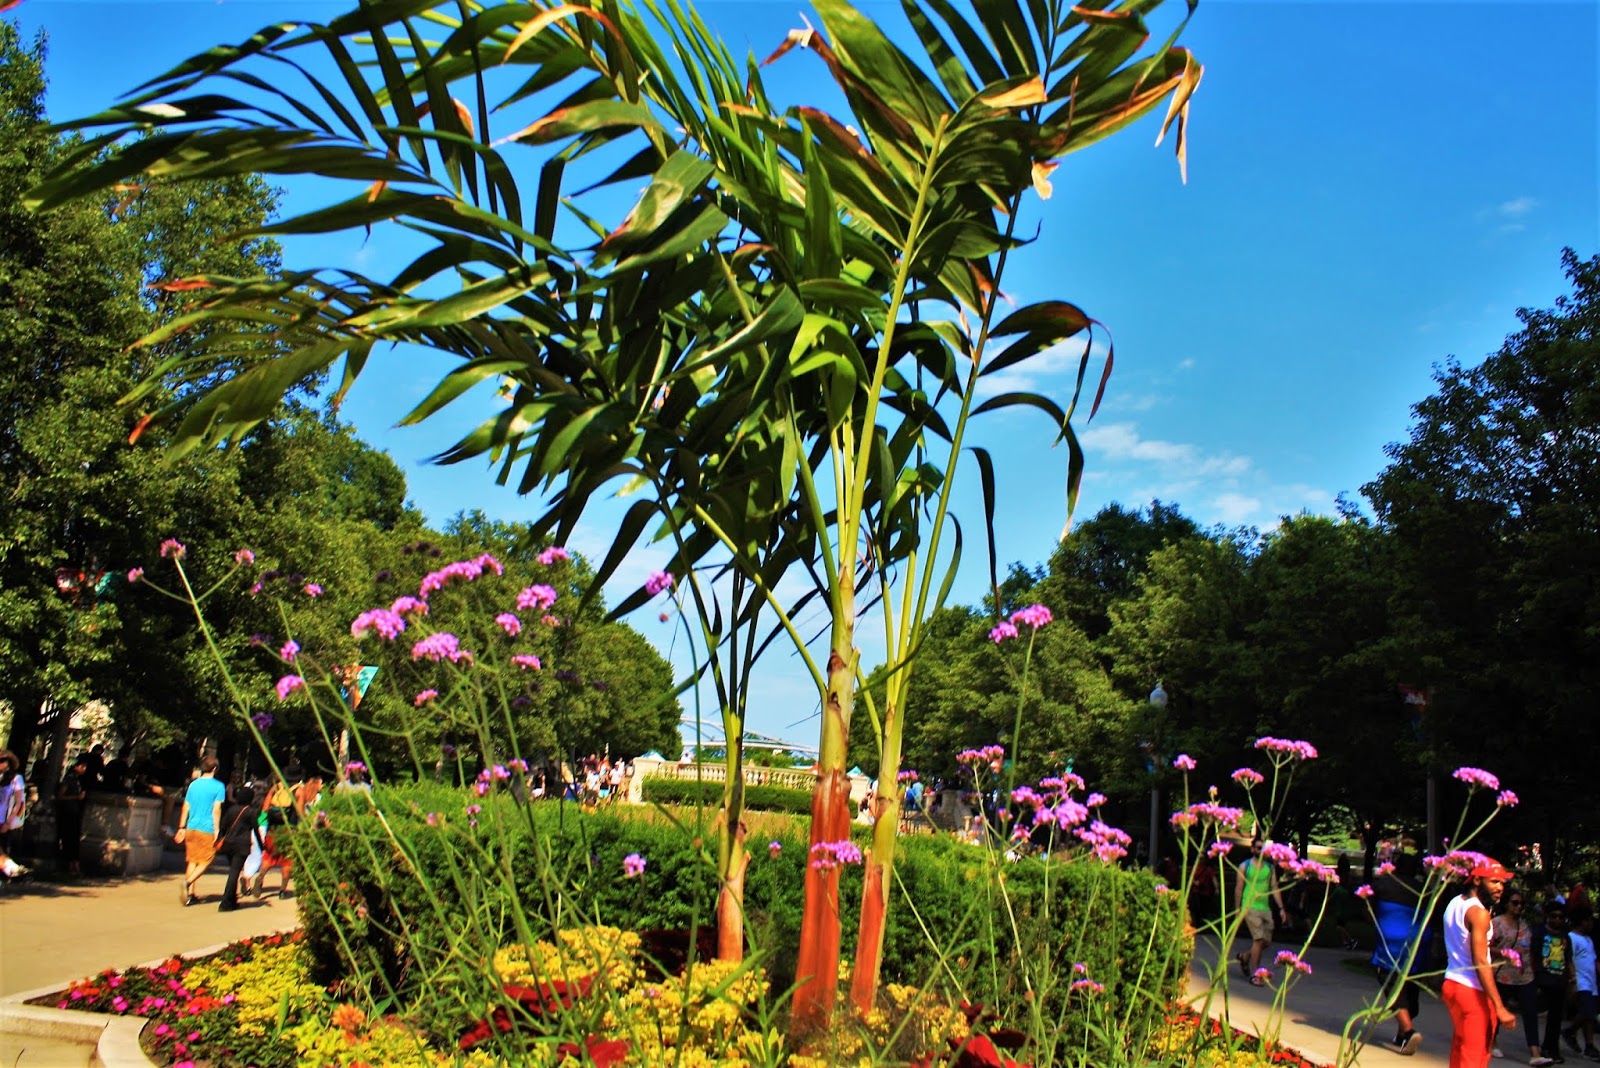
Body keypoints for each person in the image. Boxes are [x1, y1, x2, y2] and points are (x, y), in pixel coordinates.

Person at [1442, 859, 1517, 1068]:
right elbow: (1480, 960)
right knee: (1475, 1057)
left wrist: (1499, 953)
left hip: (1452, 984)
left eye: (1502, 883)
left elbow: (1466, 946)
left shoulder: (1455, 903)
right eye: (1494, 881)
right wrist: (1499, 1007)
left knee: (1460, 1050)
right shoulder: (1480, 914)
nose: (1500, 887)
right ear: (1476, 879)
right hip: (1472, 991)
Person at [1371, 853, 1434, 1055]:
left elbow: (1366, 902)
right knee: (1409, 984)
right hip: (1418, 941)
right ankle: (1401, 1035)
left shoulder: (1383, 883)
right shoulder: (1422, 890)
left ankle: (1407, 1031)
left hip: (1392, 940)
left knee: (1390, 981)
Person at [1492, 889, 1550, 1065]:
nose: (1518, 906)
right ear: (1506, 904)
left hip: (1525, 976)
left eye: (1521, 904)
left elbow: (1530, 949)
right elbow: (1484, 946)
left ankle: (1535, 1053)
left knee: (1530, 1013)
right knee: (1497, 1012)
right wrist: (1503, 952)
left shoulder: (1524, 925)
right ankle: (1492, 1041)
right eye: (1515, 903)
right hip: (1502, 975)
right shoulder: (1497, 923)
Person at [1236, 837, 1287, 987]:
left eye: (1263, 848)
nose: (1261, 851)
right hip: (1249, 906)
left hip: (1265, 907)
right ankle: (1255, 974)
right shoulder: (1244, 866)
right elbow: (1238, 888)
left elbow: (1275, 887)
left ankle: (1245, 956)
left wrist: (1282, 909)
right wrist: (1238, 909)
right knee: (1258, 939)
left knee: (1266, 941)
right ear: (1252, 849)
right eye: (1258, 848)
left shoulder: (1269, 868)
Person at [176, 756, 226, 905]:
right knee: (206, 860)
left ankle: (190, 895)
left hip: (191, 826)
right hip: (207, 828)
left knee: (192, 860)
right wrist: (217, 829)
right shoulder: (218, 786)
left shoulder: (193, 785)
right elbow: (216, 809)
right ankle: (187, 882)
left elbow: (186, 806)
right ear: (215, 769)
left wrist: (181, 827)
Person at [1533, 900, 1576, 1064]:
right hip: (1543, 978)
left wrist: (1572, 980)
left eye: (1560, 917)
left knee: (1556, 1018)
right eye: (1553, 916)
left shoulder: (1565, 937)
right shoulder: (1539, 933)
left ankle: (1552, 1047)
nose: (1557, 920)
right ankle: (1539, 1048)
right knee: (1535, 1015)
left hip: (1560, 979)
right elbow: (1534, 956)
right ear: (1547, 916)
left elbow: (1568, 959)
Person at [214, 784, 263, 912]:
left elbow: (223, 827)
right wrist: (262, 847)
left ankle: (232, 900)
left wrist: (219, 840)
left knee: (233, 871)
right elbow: (256, 830)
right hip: (242, 845)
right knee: (234, 873)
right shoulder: (251, 811)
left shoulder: (231, 809)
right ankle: (225, 902)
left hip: (229, 843)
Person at [1562, 909, 1600, 1060]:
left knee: (1589, 1015)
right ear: (1582, 921)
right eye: (1588, 920)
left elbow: (1593, 959)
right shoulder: (1571, 938)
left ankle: (1589, 1044)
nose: (1591, 924)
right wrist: (1572, 981)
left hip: (1591, 982)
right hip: (1580, 981)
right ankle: (1570, 1030)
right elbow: (1568, 959)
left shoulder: (1589, 939)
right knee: (1588, 1011)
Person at [55, 754, 89, 875]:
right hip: (68, 811)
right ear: (76, 766)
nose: (84, 769)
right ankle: (70, 865)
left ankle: (75, 865)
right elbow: (60, 796)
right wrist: (76, 797)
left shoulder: (77, 780)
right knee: (69, 839)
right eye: (82, 767)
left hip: (74, 811)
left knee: (74, 839)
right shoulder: (69, 779)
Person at [0, 749, 29, 880]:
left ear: (9, 763)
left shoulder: (16, 778)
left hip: (5, 819)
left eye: (2, 761)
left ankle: (12, 869)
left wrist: (8, 822)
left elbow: (19, 802)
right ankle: (12, 869)